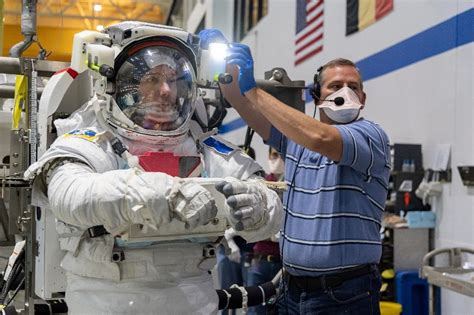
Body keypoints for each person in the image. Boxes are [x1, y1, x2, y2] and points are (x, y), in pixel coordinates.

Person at [24, 22, 282, 315]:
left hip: (194, 302)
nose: (165, 90)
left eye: (174, 80)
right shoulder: (92, 140)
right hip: (105, 302)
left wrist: (260, 206)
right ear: (117, 83)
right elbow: (70, 195)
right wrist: (159, 194)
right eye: (152, 79)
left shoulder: (201, 147)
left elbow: (271, 199)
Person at [200, 29, 391, 315]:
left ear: (363, 97)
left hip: (345, 294)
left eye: (353, 86)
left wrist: (254, 89)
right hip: (292, 289)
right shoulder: (296, 142)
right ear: (316, 96)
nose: (345, 92)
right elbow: (240, 103)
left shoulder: (369, 136)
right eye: (335, 85)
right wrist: (227, 69)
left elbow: (322, 138)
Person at [246, 147, 284, 315]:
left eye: (280, 155)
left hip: (283, 263)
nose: (277, 159)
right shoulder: (261, 186)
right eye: (274, 155)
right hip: (260, 260)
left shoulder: (294, 187)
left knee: (279, 309)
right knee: (255, 308)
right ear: (268, 156)